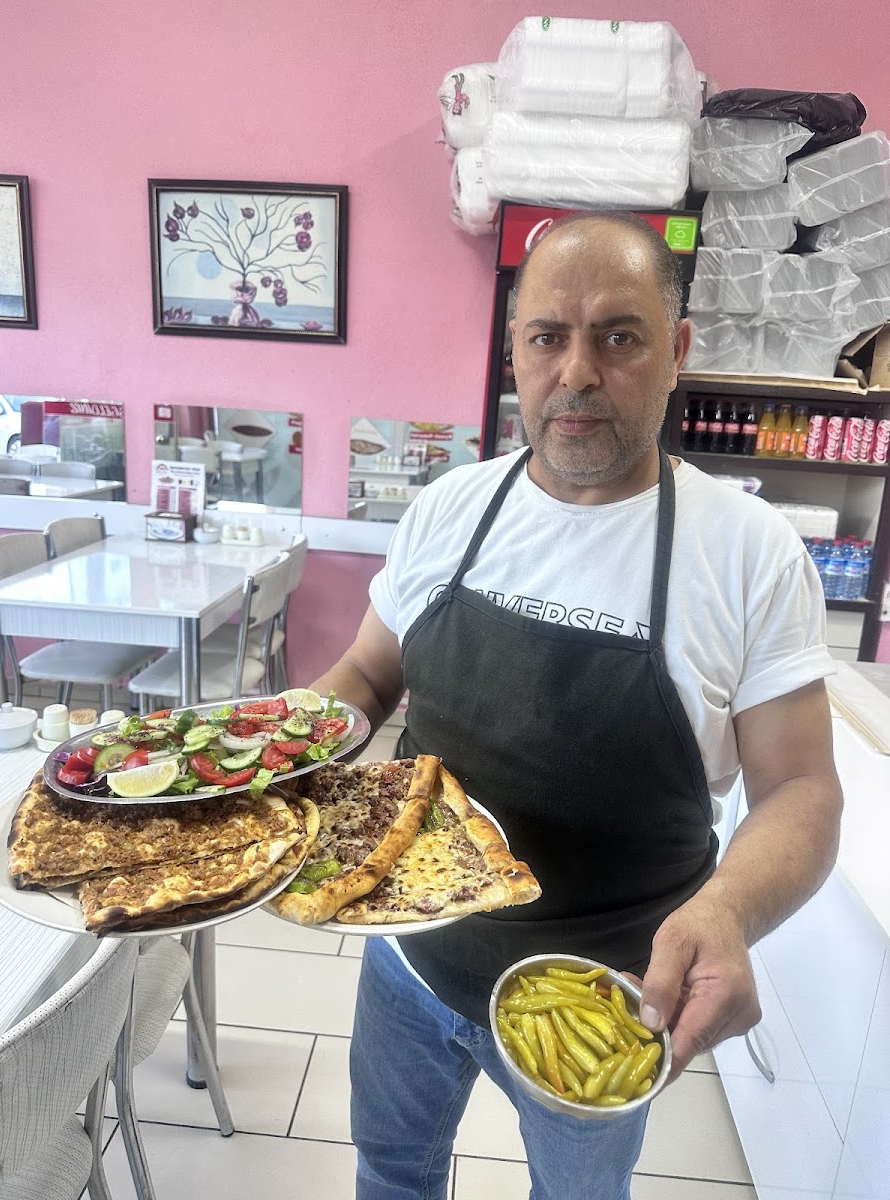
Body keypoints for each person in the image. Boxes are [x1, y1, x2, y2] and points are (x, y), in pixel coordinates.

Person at [308, 211, 843, 1200]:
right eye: (548, 336)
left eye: (619, 335)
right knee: (390, 1171)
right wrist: (295, 744)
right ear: (514, 353)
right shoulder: (449, 510)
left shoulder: (749, 554)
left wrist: (726, 912)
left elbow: (804, 789)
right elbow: (365, 678)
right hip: (406, 960)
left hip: (608, 997)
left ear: (676, 351)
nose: (579, 371)